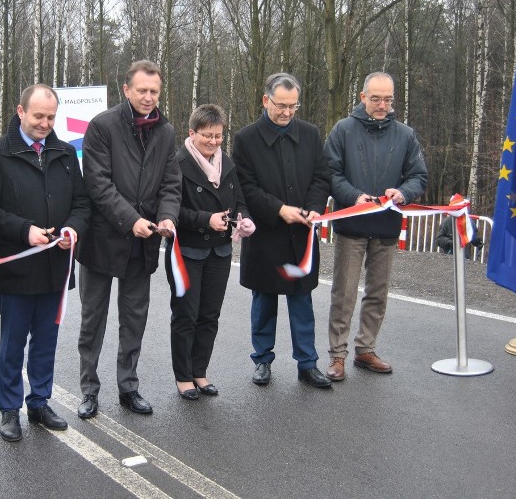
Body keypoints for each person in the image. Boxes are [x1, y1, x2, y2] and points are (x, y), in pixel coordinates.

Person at [0, 84, 90, 442]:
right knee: (12, 342)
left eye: (51, 117)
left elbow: (82, 204)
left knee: (46, 340)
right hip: (17, 265)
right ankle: (9, 409)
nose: (45, 123)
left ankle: (39, 401)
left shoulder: (66, 153)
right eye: (38, 116)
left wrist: (72, 228)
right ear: (20, 111)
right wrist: (24, 231)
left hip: (57, 266)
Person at [75, 60, 182, 418]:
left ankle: (129, 387)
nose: (149, 97)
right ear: (126, 90)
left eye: (154, 91)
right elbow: (97, 183)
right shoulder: (102, 126)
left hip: (144, 242)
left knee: (134, 319)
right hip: (102, 240)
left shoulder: (166, 132)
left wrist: (167, 216)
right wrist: (131, 219)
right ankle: (89, 390)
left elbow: (171, 184)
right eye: (142, 91)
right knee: (93, 320)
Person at [324, 72, 428, 382]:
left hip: (386, 225)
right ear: (362, 96)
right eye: (376, 98)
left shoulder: (406, 135)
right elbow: (330, 173)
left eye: (388, 99)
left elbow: (418, 177)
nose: (382, 105)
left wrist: (404, 192)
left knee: (378, 293)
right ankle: (337, 355)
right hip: (351, 224)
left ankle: (365, 349)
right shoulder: (342, 130)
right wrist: (353, 196)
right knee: (344, 293)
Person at [232, 72, 333, 389]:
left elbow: (321, 176)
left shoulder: (311, 134)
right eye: (281, 106)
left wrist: (315, 205)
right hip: (266, 234)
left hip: (301, 234)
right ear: (266, 101)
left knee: (302, 301)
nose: (287, 112)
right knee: (264, 301)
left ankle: (308, 363)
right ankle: (262, 360)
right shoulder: (246, 139)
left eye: (293, 106)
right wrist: (279, 209)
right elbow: (245, 187)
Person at [167, 104, 255, 400]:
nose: (214, 142)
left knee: (209, 315)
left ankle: (200, 371)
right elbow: (170, 210)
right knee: (186, 315)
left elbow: (240, 200)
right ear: (192, 133)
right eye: (207, 136)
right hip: (187, 250)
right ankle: (183, 377)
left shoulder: (226, 163)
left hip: (219, 251)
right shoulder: (176, 165)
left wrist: (245, 218)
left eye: (218, 136)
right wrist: (207, 219)